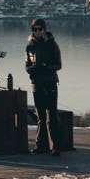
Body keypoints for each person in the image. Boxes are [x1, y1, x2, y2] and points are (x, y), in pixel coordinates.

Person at [25, 17, 62, 155]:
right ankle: (41, 146)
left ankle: (56, 147)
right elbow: (27, 66)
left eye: (40, 29)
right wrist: (34, 68)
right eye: (35, 29)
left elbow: (58, 65)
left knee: (51, 115)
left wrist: (46, 67)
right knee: (40, 116)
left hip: (50, 82)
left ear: (44, 29)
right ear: (32, 31)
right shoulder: (29, 46)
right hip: (36, 83)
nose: (37, 31)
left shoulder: (52, 44)